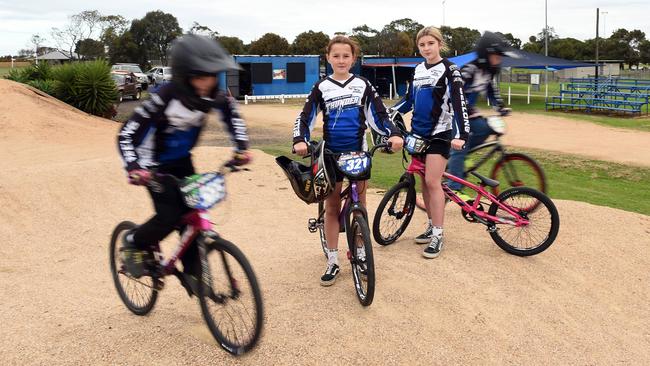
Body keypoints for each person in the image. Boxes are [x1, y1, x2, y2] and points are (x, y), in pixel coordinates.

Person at [117, 34, 251, 295]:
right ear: (184, 75)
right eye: (200, 76)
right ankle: (133, 241)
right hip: (152, 164)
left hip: (182, 161)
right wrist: (134, 167)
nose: (207, 83)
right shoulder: (164, 97)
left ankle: (193, 275)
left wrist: (242, 149)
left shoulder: (215, 96)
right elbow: (126, 135)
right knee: (170, 216)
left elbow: (233, 119)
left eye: (212, 76)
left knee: (193, 216)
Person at [293, 35, 403, 285]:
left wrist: (394, 134)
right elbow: (305, 117)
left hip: (358, 153)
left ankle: (361, 253)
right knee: (332, 207)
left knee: (360, 207)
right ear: (328, 58)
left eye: (346, 56)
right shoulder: (321, 87)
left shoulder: (363, 84)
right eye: (336, 56)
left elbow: (380, 116)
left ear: (353, 59)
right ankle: (332, 260)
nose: (341, 60)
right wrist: (300, 139)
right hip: (331, 156)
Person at [389, 26, 469, 259]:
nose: (426, 48)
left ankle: (438, 235)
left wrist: (461, 135)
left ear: (439, 44)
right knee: (423, 182)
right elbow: (409, 101)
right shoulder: (418, 70)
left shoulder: (450, 70)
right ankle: (431, 225)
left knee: (433, 181)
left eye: (430, 44)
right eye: (422, 45)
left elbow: (459, 103)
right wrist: (389, 113)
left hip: (440, 134)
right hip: (418, 134)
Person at [446, 31, 513, 196]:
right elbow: (455, 90)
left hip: (468, 111)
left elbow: (491, 91)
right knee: (459, 145)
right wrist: (465, 108)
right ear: (485, 54)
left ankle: (460, 156)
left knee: (486, 128)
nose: (499, 60)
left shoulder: (488, 72)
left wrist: (500, 107)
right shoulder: (470, 69)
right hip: (452, 110)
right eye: (496, 56)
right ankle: (453, 187)